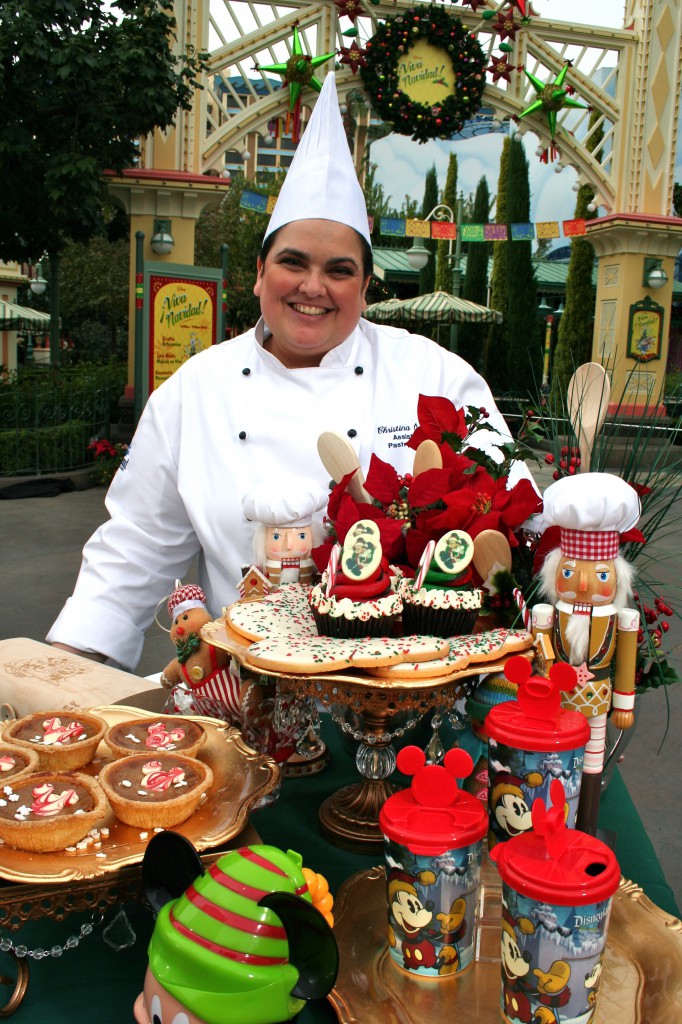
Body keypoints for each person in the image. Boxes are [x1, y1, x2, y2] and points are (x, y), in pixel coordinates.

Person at [48, 73, 530, 671]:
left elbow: (512, 523)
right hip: (240, 692)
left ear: (364, 284)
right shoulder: (192, 393)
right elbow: (134, 552)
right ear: (259, 271)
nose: (313, 287)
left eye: (339, 270)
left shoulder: (436, 375)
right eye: (293, 262)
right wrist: (62, 672)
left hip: (409, 691)